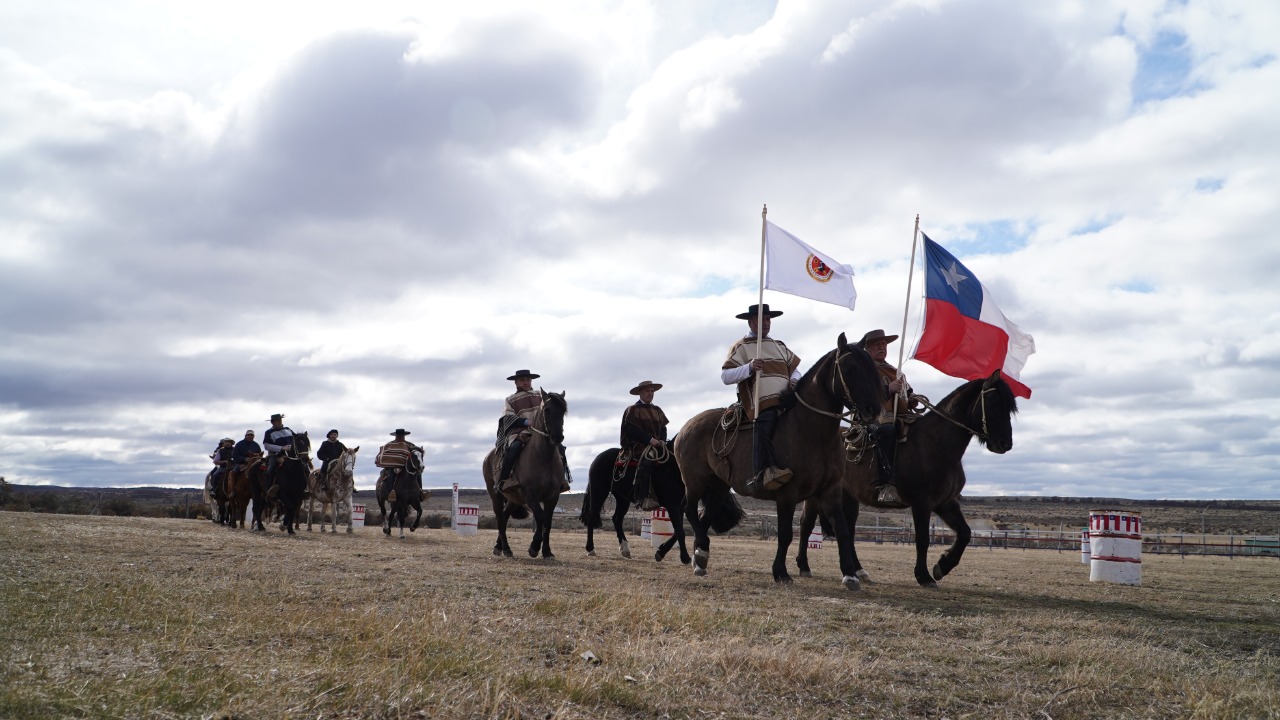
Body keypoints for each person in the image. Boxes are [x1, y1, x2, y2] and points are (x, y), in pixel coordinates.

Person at [722, 304, 801, 494]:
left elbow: (795, 370)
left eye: (768, 319)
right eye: (761, 319)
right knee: (767, 419)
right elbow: (726, 376)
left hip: (788, 400)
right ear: (751, 322)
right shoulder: (741, 346)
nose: (766, 323)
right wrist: (749, 367)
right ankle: (761, 472)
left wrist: (795, 381)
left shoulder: (779, 345)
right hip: (761, 402)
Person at [859, 328, 921, 504]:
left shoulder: (895, 370)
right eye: (877, 344)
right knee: (887, 431)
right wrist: (888, 389)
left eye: (884, 344)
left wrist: (912, 399)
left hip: (900, 415)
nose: (882, 347)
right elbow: (864, 397)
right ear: (868, 349)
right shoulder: (864, 371)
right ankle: (886, 485)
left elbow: (907, 393)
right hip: (872, 418)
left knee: (925, 428)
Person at [496, 369, 570, 493]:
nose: (526, 382)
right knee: (514, 448)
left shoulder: (541, 396)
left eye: (528, 379)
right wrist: (525, 422)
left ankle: (562, 479)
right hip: (521, 432)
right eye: (522, 380)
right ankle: (504, 481)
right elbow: (507, 417)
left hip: (542, 431)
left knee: (560, 448)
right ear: (516, 382)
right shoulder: (511, 399)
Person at [620, 380, 669, 510]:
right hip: (639, 446)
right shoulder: (633, 410)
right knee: (648, 461)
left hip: (658, 445)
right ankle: (643, 497)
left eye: (652, 391)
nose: (650, 393)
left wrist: (662, 440)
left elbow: (663, 428)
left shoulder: (658, 410)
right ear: (640, 393)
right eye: (647, 391)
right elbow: (633, 431)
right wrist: (650, 440)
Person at [262, 413, 295, 488]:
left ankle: (306, 488)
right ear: (272, 422)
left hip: (290, 454)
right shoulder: (269, 432)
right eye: (277, 420)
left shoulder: (288, 429)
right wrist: (281, 448)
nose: (280, 421)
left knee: (304, 466)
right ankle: (269, 489)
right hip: (275, 455)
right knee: (271, 469)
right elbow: (266, 445)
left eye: (280, 420)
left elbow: (295, 440)